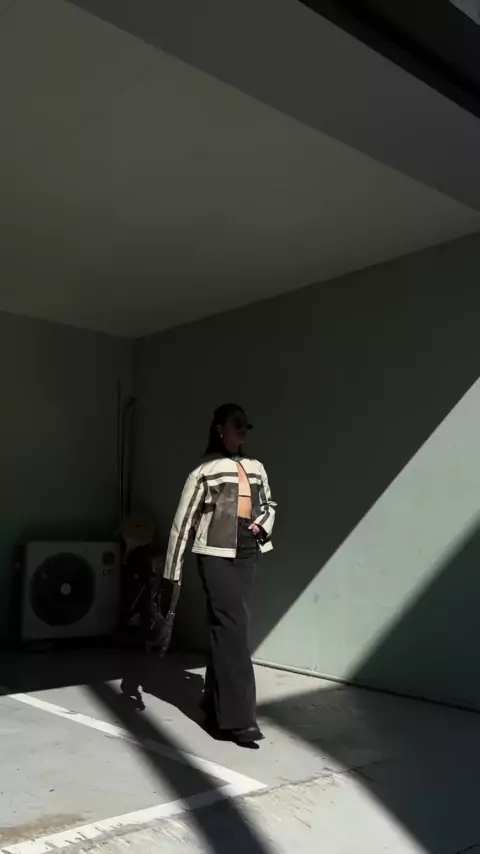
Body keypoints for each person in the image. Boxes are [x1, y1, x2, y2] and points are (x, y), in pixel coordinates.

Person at [164, 403, 277, 745]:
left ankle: (213, 705)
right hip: (214, 552)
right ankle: (240, 721)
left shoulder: (256, 467)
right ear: (219, 429)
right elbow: (183, 522)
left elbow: (268, 504)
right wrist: (173, 573)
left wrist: (261, 525)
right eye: (237, 423)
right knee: (233, 628)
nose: (243, 429)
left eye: (246, 425)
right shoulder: (205, 471)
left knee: (227, 627)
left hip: (247, 550)